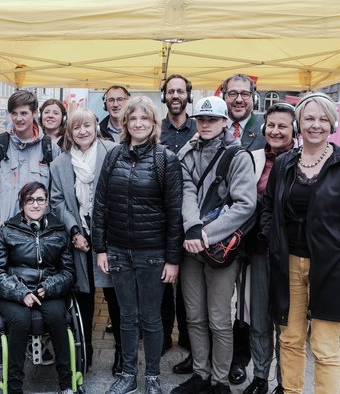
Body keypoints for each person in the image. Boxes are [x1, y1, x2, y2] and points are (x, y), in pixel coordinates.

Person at [260, 92, 340, 394]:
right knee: (289, 339)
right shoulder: (285, 162)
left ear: (332, 123)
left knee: (324, 346)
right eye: (309, 118)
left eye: (323, 119)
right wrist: (272, 238)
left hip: (333, 267)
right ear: (299, 122)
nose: (316, 125)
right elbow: (268, 206)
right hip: (288, 264)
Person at [93, 96, 184, 394]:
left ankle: (153, 376)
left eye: (145, 118)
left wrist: (173, 259)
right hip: (118, 250)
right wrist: (101, 248)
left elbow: (174, 213)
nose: (139, 123)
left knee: (151, 318)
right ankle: (129, 374)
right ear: (125, 123)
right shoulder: (114, 156)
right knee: (127, 317)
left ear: (154, 123)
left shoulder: (165, 159)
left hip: (152, 254)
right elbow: (101, 205)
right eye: (133, 119)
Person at [172, 96, 256, 394]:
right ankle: (200, 373)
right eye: (201, 119)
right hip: (192, 245)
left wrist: (208, 234)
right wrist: (193, 229)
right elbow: (186, 192)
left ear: (224, 122)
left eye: (212, 119)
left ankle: (219, 381)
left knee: (219, 319)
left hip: (220, 250)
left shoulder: (238, 156)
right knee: (194, 316)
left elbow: (245, 205)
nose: (205, 124)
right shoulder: (189, 152)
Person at [50, 108, 122, 374]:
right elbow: (56, 202)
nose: (82, 131)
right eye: (76, 127)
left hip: (110, 235)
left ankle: (122, 354)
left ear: (96, 128)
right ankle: (85, 352)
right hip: (78, 238)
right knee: (84, 297)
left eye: (87, 126)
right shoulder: (60, 164)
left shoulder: (112, 152)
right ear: (70, 131)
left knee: (115, 298)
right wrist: (74, 232)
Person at [0, 182, 75, 394]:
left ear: (46, 203)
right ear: (22, 204)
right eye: (30, 200)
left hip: (48, 291)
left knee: (57, 317)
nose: (35, 205)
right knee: (20, 321)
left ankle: (66, 385)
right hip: (13, 293)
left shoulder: (58, 231)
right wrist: (21, 293)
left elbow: (69, 273)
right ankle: (14, 386)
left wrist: (50, 286)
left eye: (40, 200)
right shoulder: (7, 231)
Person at [242, 102, 299, 394]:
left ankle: (285, 381)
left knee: (287, 323)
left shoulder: (304, 161)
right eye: (271, 125)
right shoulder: (252, 158)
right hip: (259, 250)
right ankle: (261, 376)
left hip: (293, 253)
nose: (275, 131)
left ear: (294, 130)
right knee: (260, 317)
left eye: (283, 126)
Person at [221, 73, 266, 385]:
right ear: (224, 95)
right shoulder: (212, 123)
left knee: (245, 304)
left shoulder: (265, 128)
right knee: (218, 300)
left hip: (252, 234)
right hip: (217, 231)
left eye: (244, 94)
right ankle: (212, 356)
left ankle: (239, 360)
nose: (239, 99)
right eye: (233, 93)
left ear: (254, 96)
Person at [0, 89, 60, 240]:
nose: (18, 118)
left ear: (34, 114)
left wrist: (53, 227)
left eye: (23, 113)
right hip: (6, 234)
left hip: (41, 235)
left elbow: (58, 195)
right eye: (14, 113)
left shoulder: (50, 149)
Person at [158, 74, 197, 371]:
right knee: (163, 280)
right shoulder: (157, 130)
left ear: (187, 95)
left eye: (180, 91)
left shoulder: (200, 127)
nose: (175, 95)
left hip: (191, 217)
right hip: (160, 217)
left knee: (188, 284)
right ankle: (162, 337)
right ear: (164, 96)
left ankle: (187, 336)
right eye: (170, 91)